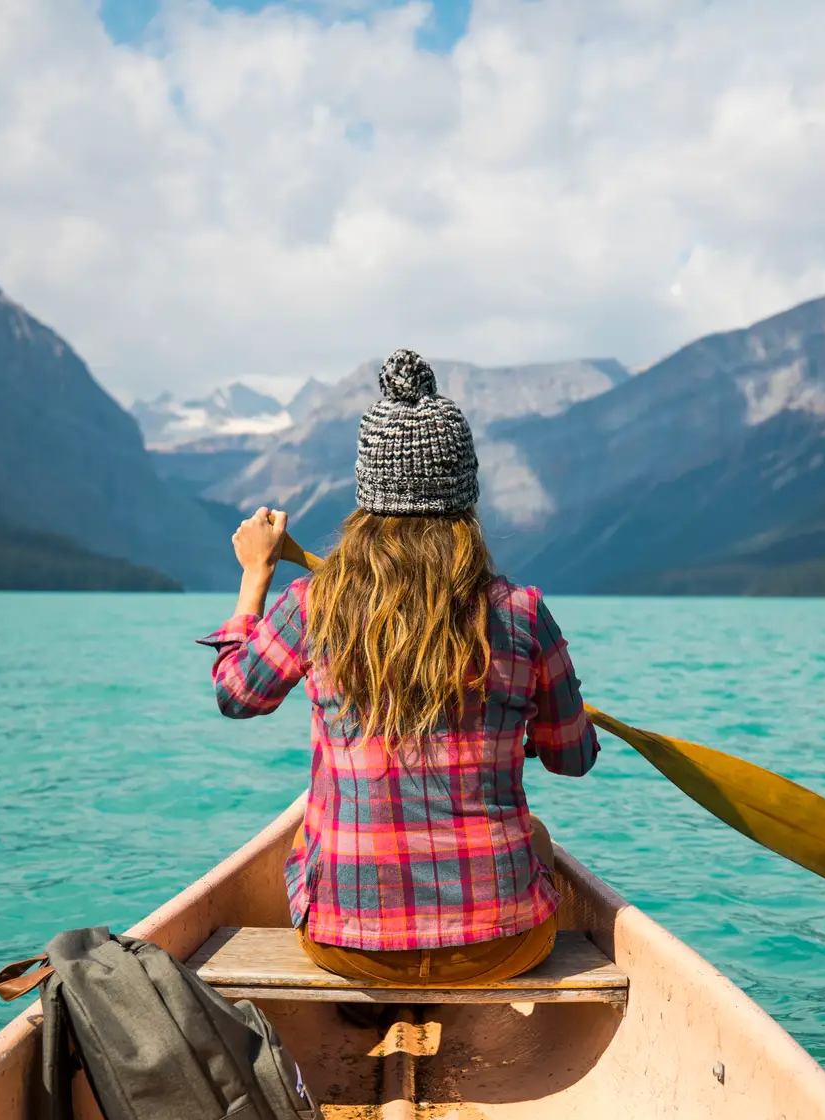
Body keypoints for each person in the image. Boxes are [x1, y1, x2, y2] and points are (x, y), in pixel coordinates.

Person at [199, 349, 599, 986]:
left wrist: (255, 578)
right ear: (464, 498)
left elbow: (235, 695)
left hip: (349, 947)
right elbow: (572, 758)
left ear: (364, 497)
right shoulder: (524, 616)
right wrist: (534, 714)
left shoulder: (314, 605)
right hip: (502, 947)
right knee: (539, 839)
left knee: (310, 838)